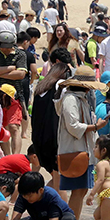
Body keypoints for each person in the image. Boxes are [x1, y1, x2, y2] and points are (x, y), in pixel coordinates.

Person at [55, 66, 109, 220]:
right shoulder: (71, 99)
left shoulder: (79, 99)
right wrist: (95, 127)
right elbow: (73, 126)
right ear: (85, 86)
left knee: (81, 191)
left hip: (83, 151)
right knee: (78, 192)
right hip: (76, 151)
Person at [0, 30, 28, 155]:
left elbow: (20, 74)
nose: (5, 49)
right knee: (0, 128)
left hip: (15, 95)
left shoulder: (20, 54)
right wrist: (10, 69)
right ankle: (6, 157)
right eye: (3, 46)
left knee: (14, 127)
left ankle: (15, 157)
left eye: (8, 47)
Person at [31, 62, 70, 198]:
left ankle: (42, 205)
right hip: (54, 139)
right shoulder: (61, 85)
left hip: (38, 139)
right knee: (60, 182)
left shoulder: (41, 87)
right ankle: (64, 216)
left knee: (55, 177)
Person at [10, 172, 77, 220]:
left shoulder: (51, 196)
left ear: (41, 190)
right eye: (24, 196)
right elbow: (16, 217)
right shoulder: (23, 196)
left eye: (30, 196)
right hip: (38, 219)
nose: (27, 198)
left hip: (58, 219)